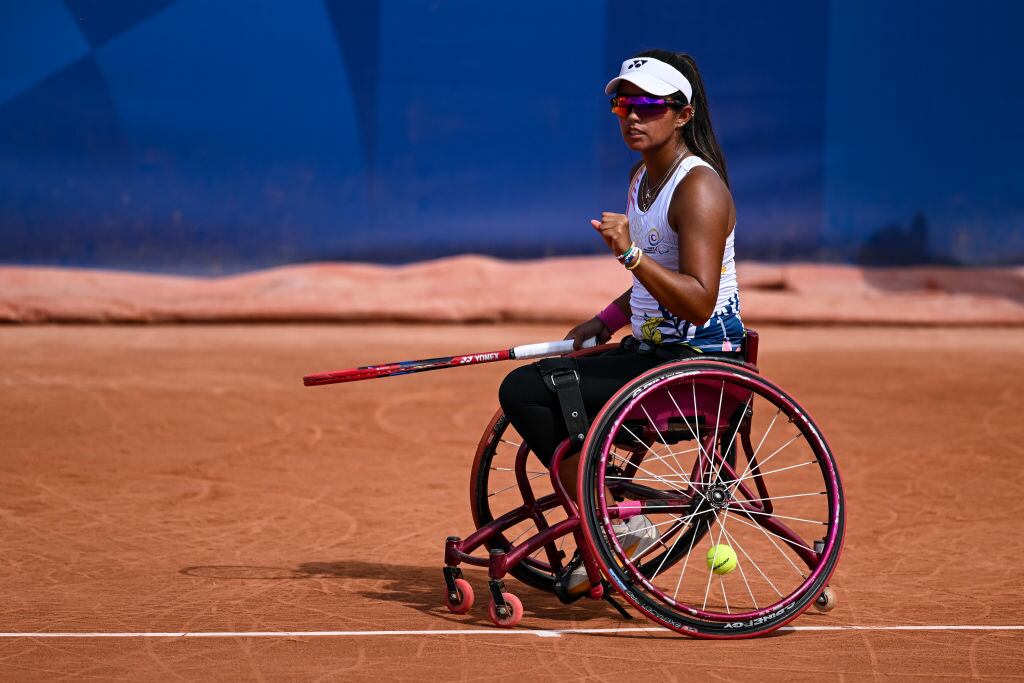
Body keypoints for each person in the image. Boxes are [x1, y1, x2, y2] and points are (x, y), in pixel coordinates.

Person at [497, 49, 744, 601]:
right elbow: (653, 284)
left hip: (699, 371)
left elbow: (699, 302)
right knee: (541, 384)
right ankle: (610, 510)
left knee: (531, 391)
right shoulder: (643, 179)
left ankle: (616, 518)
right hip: (652, 356)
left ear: (683, 114)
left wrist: (630, 253)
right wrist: (606, 319)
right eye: (622, 104)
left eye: (650, 104)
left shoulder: (699, 190)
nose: (633, 115)